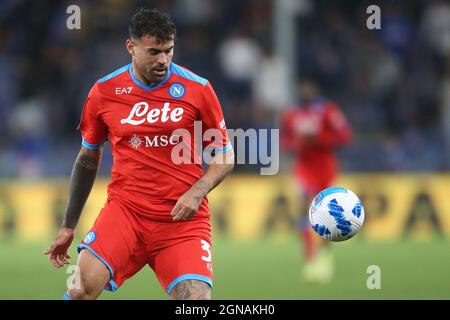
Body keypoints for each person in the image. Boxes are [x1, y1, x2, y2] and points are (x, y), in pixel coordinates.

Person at [43, 8, 234, 300]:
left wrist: (198, 191)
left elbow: (224, 155)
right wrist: (68, 226)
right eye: (154, 51)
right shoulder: (104, 92)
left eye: (169, 50)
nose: (163, 60)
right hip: (125, 214)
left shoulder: (198, 89)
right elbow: (87, 159)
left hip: (180, 222)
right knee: (79, 290)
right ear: (131, 47)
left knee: (196, 301)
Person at [281, 78, 353, 283]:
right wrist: (294, 144)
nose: (305, 91)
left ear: (315, 90)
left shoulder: (328, 111)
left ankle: (325, 256)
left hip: (326, 169)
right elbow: (285, 140)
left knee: (327, 214)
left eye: (308, 88)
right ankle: (310, 258)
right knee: (304, 209)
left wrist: (319, 140)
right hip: (304, 169)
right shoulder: (291, 114)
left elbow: (345, 136)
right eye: (302, 88)